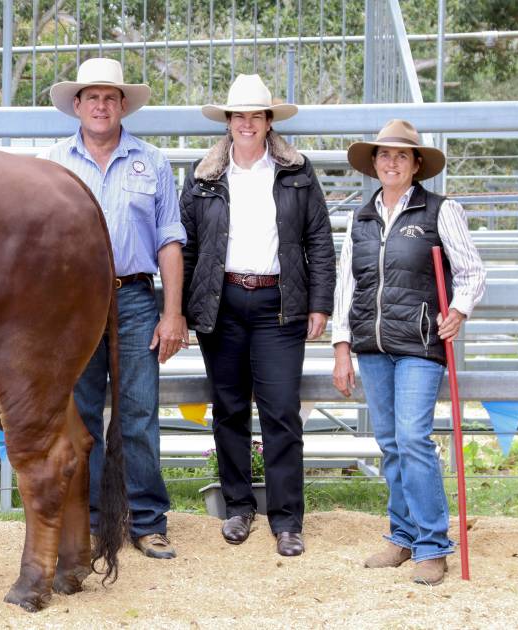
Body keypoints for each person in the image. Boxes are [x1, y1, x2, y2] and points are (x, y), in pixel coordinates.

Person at [179, 74, 335, 557]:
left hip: (277, 304)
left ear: (269, 122)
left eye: (256, 115)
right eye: (238, 115)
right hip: (221, 303)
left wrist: (319, 303)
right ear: (228, 122)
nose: (247, 124)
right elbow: (186, 247)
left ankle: (287, 519)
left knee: (281, 411)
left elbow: (319, 243)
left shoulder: (298, 174)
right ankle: (239, 508)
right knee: (228, 409)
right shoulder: (203, 177)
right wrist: (183, 309)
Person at [40, 57, 187, 559]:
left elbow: (170, 240)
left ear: (123, 105)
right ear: (76, 106)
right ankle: (93, 520)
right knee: (79, 414)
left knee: (139, 412)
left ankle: (146, 520)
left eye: (110, 97)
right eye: (92, 98)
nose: (101, 106)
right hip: (72, 303)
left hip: (134, 297)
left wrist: (173, 313)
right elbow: (39, 242)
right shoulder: (53, 163)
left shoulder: (153, 162)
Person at [332, 119, 485, 585]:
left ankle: (433, 544)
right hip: (371, 345)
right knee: (391, 444)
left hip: (420, 342)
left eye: (401, 155)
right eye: (383, 155)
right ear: (373, 163)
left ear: (417, 164)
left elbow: (472, 271)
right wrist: (341, 346)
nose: (391, 162)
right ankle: (401, 535)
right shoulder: (361, 217)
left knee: (413, 438)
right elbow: (346, 283)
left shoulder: (440, 210)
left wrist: (457, 310)